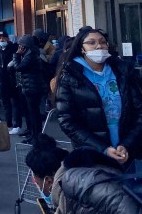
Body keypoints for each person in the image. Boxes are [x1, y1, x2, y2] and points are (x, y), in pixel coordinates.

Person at [55, 26, 142, 163]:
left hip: (129, 151)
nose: (98, 46)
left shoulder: (123, 71)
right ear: (82, 49)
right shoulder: (70, 76)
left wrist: (126, 145)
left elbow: (139, 111)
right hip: (92, 154)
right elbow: (67, 121)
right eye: (91, 43)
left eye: (102, 42)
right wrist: (103, 149)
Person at [9, 34, 49, 143]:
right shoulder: (31, 54)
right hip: (30, 86)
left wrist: (16, 55)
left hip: (32, 88)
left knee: (34, 113)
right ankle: (33, 134)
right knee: (31, 113)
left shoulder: (30, 56)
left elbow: (18, 67)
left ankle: (36, 136)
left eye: (21, 46)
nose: (19, 48)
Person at [0, 31, 25, 134]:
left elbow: (17, 64)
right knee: (5, 104)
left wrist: (17, 82)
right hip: (2, 81)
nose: (1, 40)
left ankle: (17, 125)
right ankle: (8, 124)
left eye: (3, 37)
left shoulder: (14, 48)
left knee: (15, 103)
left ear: (8, 38)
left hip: (12, 80)